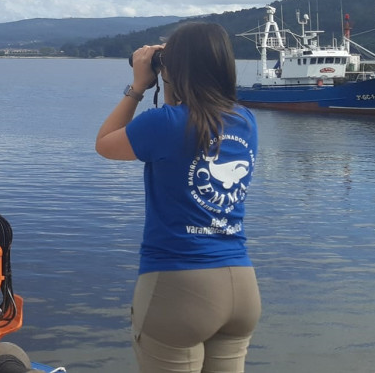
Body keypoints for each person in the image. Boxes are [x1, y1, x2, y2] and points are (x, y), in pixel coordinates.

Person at [95, 22, 261, 373]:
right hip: (241, 284)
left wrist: (139, 86)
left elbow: (105, 143)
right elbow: (197, 116)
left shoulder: (164, 123)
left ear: (176, 69)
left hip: (178, 285)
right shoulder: (246, 120)